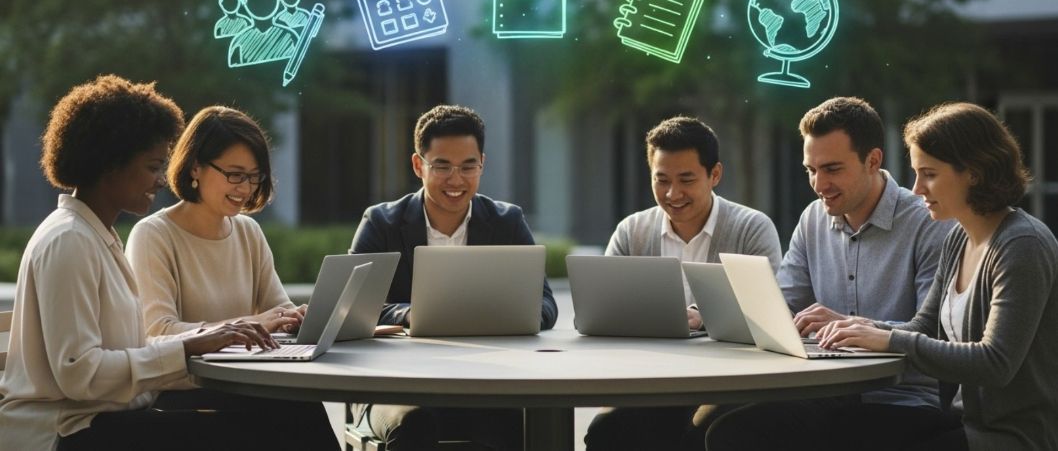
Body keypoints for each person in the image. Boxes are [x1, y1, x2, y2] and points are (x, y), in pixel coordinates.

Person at [0, 75, 297, 450]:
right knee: (255, 433)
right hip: (67, 429)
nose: (161, 181)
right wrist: (188, 347)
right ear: (110, 164)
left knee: (288, 414)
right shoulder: (69, 241)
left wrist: (199, 339)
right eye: (152, 167)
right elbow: (80, 373)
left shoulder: (94, 235)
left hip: (106, 417)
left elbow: (127, 347)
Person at [705, 96, 953, 450]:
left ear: (873, 160)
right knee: (710, 420)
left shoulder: (927, 224)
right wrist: (716, 313)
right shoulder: (812, 219)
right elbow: (782, 304)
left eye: (832, 169)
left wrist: (856, 326)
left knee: (740, 433)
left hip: (898, 398)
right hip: (822, 391)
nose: (819, 184)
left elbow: (936, 331)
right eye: (811, 170)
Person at [818, 102, 1058, 449]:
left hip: (1013, 437)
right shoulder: (958, 237)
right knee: (837, 428)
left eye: (929, 174)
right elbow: (922, 327)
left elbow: (995, 363)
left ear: (974, 172)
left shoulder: (1023, 244)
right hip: (963, 421)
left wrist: (889, 340)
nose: (916, 189)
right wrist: (862, 329)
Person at [349, 104, 557, 450]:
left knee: (510, 422)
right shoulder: (381, 223)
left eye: (467, 167)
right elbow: (352, 306)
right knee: (415, 424)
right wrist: (411, 314)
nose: (456, 180)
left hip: (482, 383)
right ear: (419, 165)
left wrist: (510, 316)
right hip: (392, 385)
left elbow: (546, 303)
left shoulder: (507, 222)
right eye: (442, 166)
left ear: (482, 165)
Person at [584, 115, 782, 451]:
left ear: (714, 174)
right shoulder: (632, 232)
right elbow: (604, 313)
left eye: (686, 179)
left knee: (702, 432)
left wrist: (701, 315)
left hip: (727, 383)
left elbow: (769, 315)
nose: (672, 194)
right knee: (607, 429)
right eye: (661, 180)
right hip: (650, 382)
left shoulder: (752, 229)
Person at [127, 105, 304, 339]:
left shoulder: (248, 231)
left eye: (253, 176)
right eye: (234, 174)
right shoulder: (153, 235)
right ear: (195, 168)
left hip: (247, 373)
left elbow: (278, 309)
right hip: (189, 376)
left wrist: (296, 318)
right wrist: (250, 323)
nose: (245, 187)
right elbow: (158, 330)